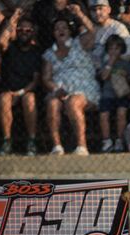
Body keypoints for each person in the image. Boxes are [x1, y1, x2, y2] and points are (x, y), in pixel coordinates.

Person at [42, 12, 99, 155]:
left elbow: (93, 31)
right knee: (52, 103)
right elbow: (46, 78)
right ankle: (57, 146)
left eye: (64, 28)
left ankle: (82, 146)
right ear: (53, 33)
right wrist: (57, 89)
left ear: (70, 30)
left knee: (73, 102)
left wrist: (79, 14)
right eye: (57, 28)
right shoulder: (49, 53)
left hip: (84, 89)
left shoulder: (80, 43)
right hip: (61, 90)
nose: (61, 30)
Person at [0, 11, 41, 157]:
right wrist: (13, 19)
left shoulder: (36, 52)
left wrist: (20, 93)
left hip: (26, 90)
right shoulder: (11, 47)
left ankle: (31, 141)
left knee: (29, 99)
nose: (24, 32)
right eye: (20, 29)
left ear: (33, 32)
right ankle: (7, 141)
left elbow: (35, 80)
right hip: (9, 89)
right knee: (3, 98)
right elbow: (1, 42)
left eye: (28, 30)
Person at [97, 34, 130, 152]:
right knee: (104, 115)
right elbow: (103, 77)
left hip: (121, 95)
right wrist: (110, 64)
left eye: (116, 48)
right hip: (107, 95)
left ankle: (119, 140)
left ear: (121, 49)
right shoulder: (105, 63)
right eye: (111, 48)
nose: (113, 51)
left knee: (121, 113)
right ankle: (106, 140)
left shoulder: (125, 64)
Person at [88, 0, 130, 70]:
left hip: (114, 68)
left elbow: (128, 55)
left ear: (108, 10)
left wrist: (110, 62)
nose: (97, 13)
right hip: (90, 69)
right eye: (93, 10)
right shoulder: (87, 29)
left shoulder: (119, 27)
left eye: (100, 8)